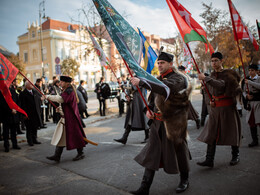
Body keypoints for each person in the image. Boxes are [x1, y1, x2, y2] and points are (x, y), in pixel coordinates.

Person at [129, 51, 192, 194]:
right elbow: (152, 99)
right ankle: (144, 187)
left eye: (162, 63)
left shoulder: (179, 78)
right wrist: (148, 110)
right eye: (158, 63)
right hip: (157, 123)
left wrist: (143, 82)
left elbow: (165, 88)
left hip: (174, 123)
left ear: (171, 64)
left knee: (180, 152)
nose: (159, 65)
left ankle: (184, 180)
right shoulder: (157, 79)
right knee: (152, 153)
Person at [197, 52, 241, 167]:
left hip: (228, 107)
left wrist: (206, 78)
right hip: (215, 109)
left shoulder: (229, 74)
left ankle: (235, 155)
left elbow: (221, 85)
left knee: (232, 131)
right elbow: (206, 91)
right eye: (212, 61)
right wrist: (209, 101)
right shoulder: (211, 75)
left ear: (221, 61)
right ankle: (209, 159)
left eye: (216, 60)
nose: (214, 63)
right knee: (211, 133)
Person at [45, 75, 87, 162]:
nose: (60, 83)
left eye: (62, 82)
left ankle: (81, 153)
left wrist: (48, 96)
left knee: (76, 136)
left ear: (67, 83)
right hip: (67, 118)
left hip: (71, 119)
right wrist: (60, 110)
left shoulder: (69, 91)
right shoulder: (66, 90)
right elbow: (66, 105)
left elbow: (61, 99)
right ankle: (57, 155)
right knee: (61, 136)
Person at [114, 80, 149, 144]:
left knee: (143, 118)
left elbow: (134, 87)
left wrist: (124, 86)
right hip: (133, 102)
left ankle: (147, 136)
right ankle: (125, 137)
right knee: (130, 120)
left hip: (140, 102)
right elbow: (130, 90)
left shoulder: (139, 78)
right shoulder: (131, 79)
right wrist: (128, 96)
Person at [19, 81, 42, 146]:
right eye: (30, 84)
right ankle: (30, 141)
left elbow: (38, 100)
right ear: (26, 86)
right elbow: (22, 105)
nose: (32, 85)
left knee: (35, 127)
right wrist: (24, 114)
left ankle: (34, 139)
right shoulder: (23, 94)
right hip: (28, 114)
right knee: (29, 128)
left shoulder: (35, 92)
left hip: (35, 113)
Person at [243, 64, 260, 147]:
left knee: (259, 121)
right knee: (251, 122)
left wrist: (250, 82)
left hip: (258, 103)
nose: (250, 72)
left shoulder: (259, 78)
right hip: (251, 103)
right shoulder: (246, 79)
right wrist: (246, 96)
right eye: (249, 70)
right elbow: (243, 91)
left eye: (252, 70)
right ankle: (254, 140)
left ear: (256, 71)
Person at [0, 87, 21, 152]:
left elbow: (17, 100)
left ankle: (15, 144)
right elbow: (2, 103)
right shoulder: (2, 91)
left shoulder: (12, 90)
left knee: (14, 131)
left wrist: (16, 109)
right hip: (6, 115)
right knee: (6, 132)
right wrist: (10, 110)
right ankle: (6, 146)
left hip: (14, 115)